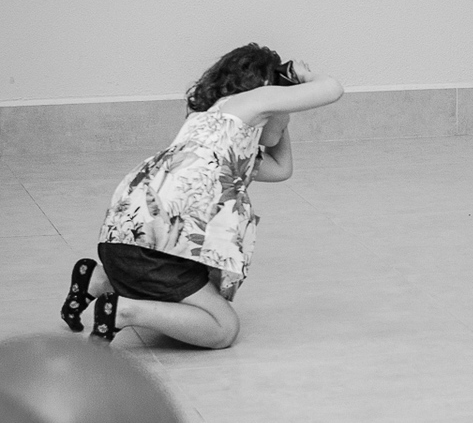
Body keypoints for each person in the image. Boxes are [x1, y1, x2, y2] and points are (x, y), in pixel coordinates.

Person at [58, 43, 344, 349]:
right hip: (154, 249)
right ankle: (124, 311)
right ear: (265, 86)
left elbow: (281, 168)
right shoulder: (251, 101)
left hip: (125, 240)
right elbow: (332, 88)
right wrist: (302, 76)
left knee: (192, 301)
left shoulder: (215, 128)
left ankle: (99, 280)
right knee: (223, 328)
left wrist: (280, 115)